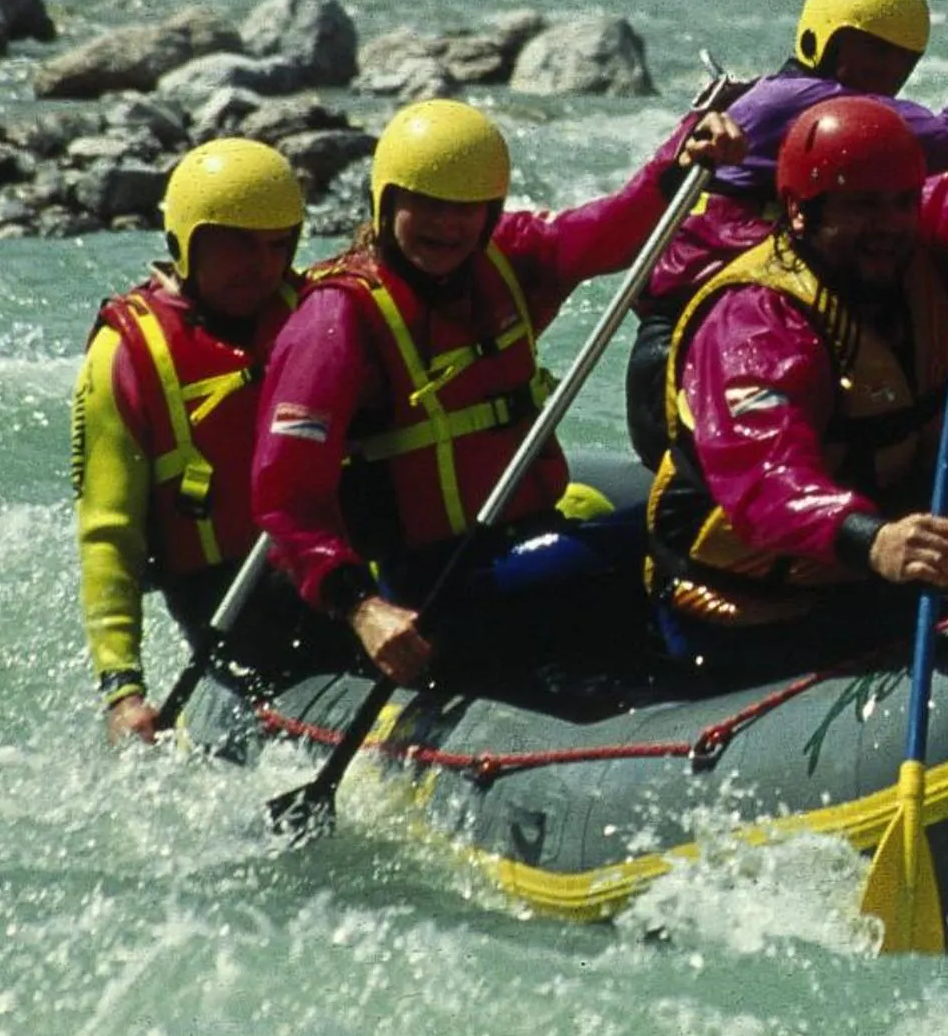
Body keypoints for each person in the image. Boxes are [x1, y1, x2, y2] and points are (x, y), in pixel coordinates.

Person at [646, 49, 948, 685]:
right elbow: (766, 478)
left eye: (901, 203)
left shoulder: (918, 253)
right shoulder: (756, 318)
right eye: (862, 207)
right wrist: (873, 540)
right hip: (751, 605)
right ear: (799, 211)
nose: (889, 226)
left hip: (888, 564)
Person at [253, 97, 742, 698]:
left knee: (687, 518)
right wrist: (363, 610)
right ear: (387, 202)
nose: (448, 225)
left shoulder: (507, 259)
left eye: (467, 209)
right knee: (672, 531)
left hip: (524, 544)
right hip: (436, 584)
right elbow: (286, 497)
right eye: (426, 204)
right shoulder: (335, 319)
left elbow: (611, 230)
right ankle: (704, 687)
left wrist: (682, 151)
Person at [625, 0, 948, 467]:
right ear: (823, 42)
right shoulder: (800, 104)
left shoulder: (774, 96)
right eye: (872, 50)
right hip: (686, 357)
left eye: (902, 60)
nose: (887, 72)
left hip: (726, 344)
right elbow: (947, 137)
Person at [73, 138, 353, 742]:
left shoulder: (315, 312)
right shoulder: (124, 353)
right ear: (184, 241)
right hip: (231, 602)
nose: (262, 265)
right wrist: (123, 691)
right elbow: (107, 533)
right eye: (237, 243)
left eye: (279, 244)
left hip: (336, 570)